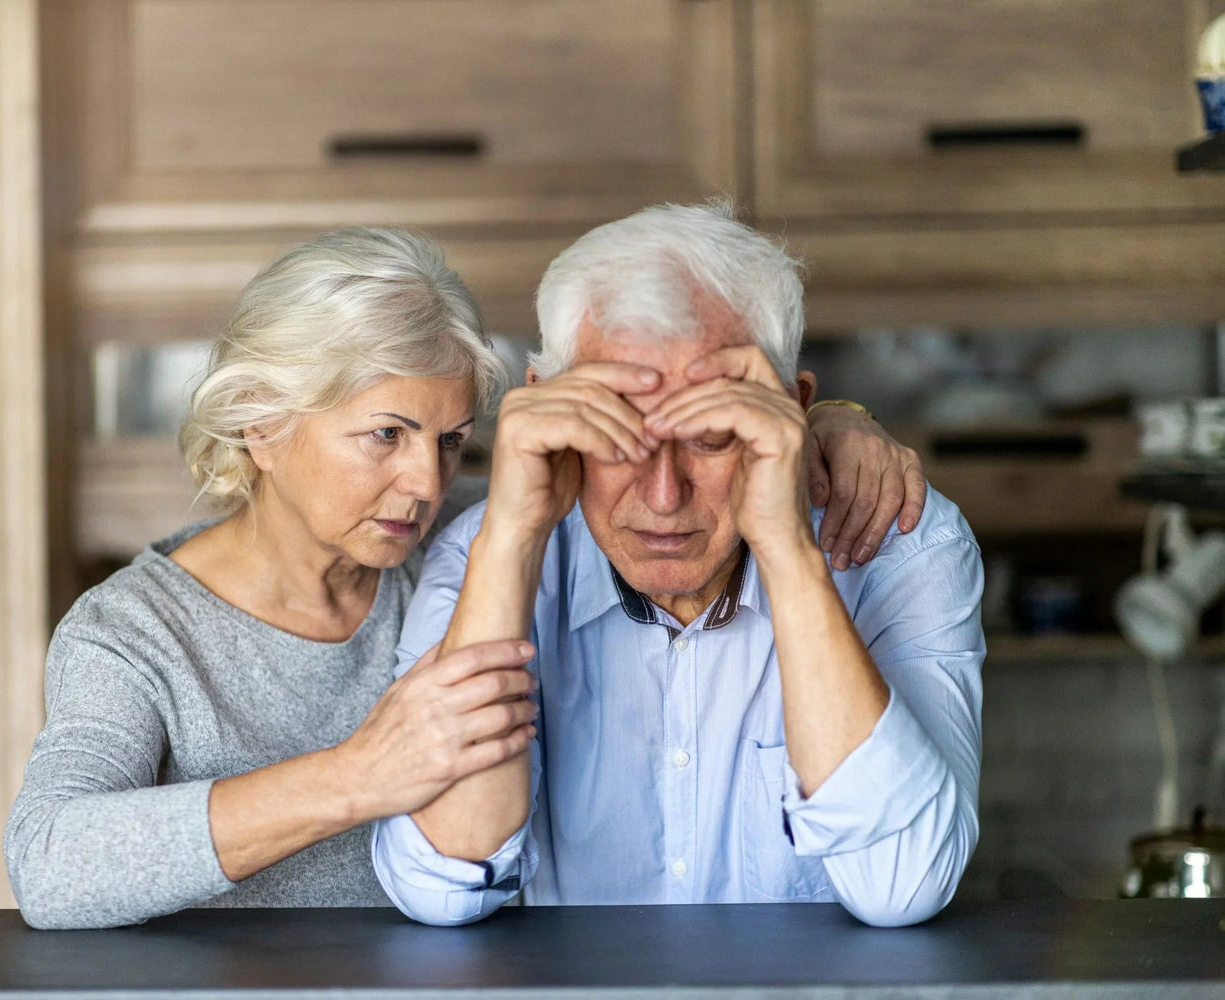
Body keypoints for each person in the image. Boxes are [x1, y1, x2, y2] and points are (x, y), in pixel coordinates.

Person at [4, 225, 929, 929]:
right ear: (261, 422)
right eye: (386, 434)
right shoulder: (134, 631)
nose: (427, 482)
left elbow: (647, 477)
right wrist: (356, 777)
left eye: (450, 440)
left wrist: (829, 427)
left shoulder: (467, 544)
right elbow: (48, 862)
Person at [371, 203, 984, 928]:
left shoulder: (900, 540)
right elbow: (440, 890)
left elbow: (904, 885)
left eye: (713, 434)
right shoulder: (484, 551)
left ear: (793, 411)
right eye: (613, 431)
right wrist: (511, 540)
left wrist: (789, 549)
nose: (663, 497)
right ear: (545, 411)